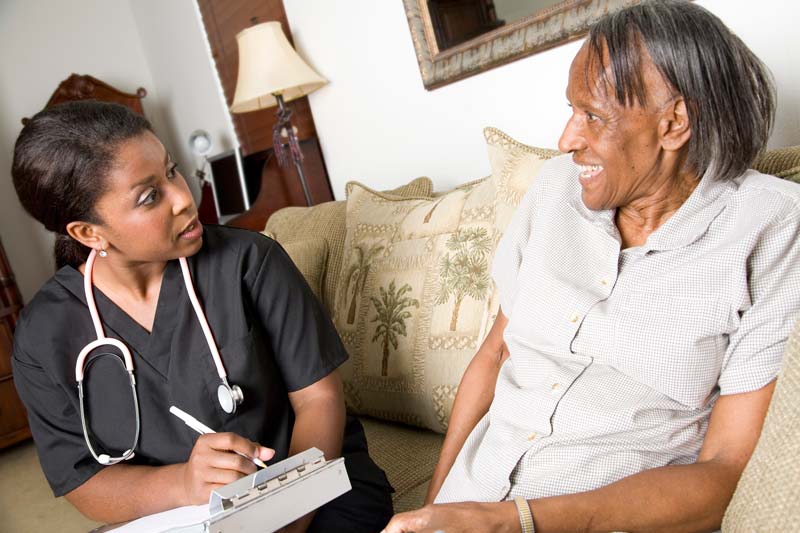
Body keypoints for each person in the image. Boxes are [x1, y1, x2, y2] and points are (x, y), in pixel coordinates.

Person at [383, 1, 800, 532]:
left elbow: (724, 474)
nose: (566, 140)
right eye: (572, 111)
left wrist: (512, 521)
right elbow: (494, 353)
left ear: (674, 124)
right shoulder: (556, 189)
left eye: (594, 117)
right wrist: (438, 506)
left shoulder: (771, 228)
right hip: (473, 500)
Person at [10, 101, 393, 532]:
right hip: (184, 519)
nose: (183, 199)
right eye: (149, 196)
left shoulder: (249, 262)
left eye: (172, 171)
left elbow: (319, 400)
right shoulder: (43, 335)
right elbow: (82, 481)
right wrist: (183, 484)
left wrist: (281, 515)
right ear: (88, 233)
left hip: (315, 491)